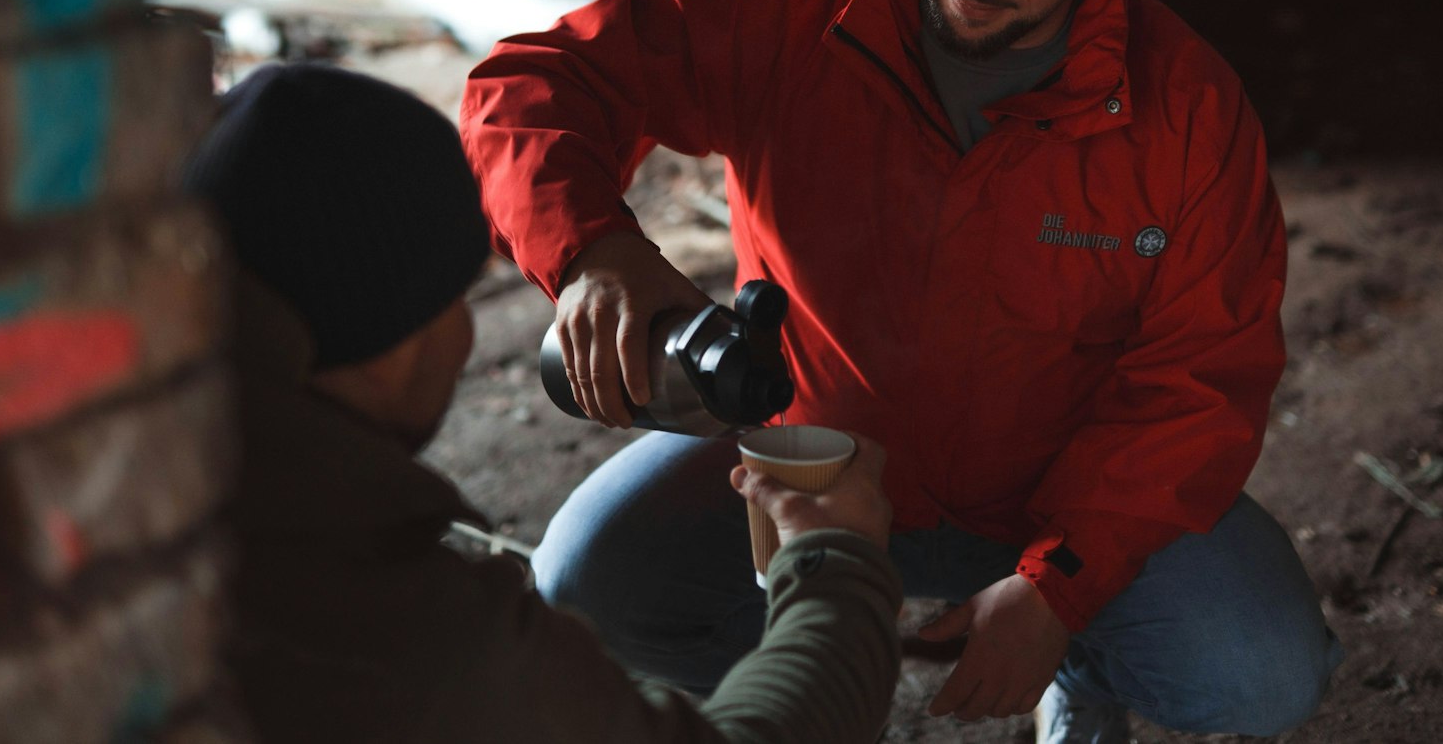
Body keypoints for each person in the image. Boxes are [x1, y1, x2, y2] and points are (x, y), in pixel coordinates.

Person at [462, 0, 1343, 743]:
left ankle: (1083, 676)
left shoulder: (1184, 110)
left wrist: (1060, 589)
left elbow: (1196, 385)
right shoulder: (792, 6)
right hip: (804, 468)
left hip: (1054, 499)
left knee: (1259, 671)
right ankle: (790, 689)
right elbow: (532, 82)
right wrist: (593, 249)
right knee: (581, 584)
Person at [181, 62, 903, 744]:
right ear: (391, 348)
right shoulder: (423, 646)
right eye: (457, 295)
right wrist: (833, 567)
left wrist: (598, 249)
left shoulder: (142, 475)